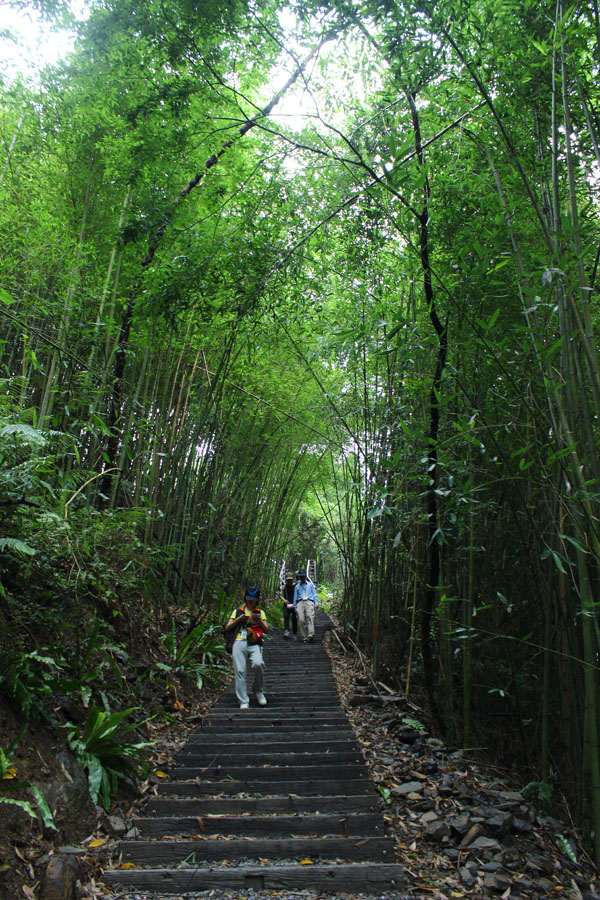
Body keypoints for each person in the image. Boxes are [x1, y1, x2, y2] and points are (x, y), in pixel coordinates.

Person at [226, 586, 268, 709]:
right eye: (249, 599)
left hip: (254, 642)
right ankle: (243, 700)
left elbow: (266, 630)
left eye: (253, 599)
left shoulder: (260, 612)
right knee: (240, 670)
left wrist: (259, 621)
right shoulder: (238, 611)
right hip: (239, 641)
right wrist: (239, 619)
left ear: (257, 600)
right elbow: (228, 627)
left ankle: (258, 690)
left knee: (258, 664)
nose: (250, 601)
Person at [293, 570, 318, 642]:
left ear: (306, 577)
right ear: (299, 577)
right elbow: (295, 597)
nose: (302, 578)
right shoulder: (297, 586)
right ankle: (303, 636)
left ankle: (311, 634)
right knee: (301, 619)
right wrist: (295, 607)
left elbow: (314, 594)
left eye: (303, 576)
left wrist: (316, 603)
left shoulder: (310, 585)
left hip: (309, 601)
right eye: (301, 576)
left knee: (310, 617)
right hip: (300, 602)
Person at [281, 572, 298, 640]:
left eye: (290, 580)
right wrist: (284, 600)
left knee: (294, 619)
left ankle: (294, 633)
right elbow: (281, 595)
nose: (289, 581)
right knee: (286, 616)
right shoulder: (284, 587)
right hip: (286, 604)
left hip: (294, 604)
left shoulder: (296, 586)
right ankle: (286, 631)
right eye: (288, 580)